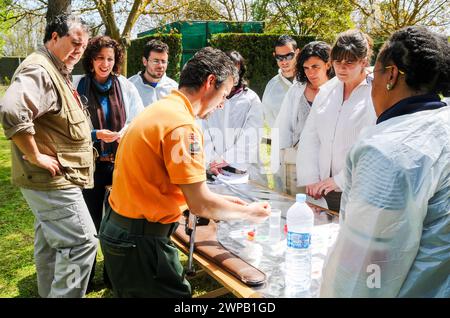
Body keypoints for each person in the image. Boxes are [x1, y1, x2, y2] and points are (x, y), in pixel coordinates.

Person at [99, 47, 271, 298]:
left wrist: (223, 201)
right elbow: (200, 203)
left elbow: (181, 187)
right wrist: (248, 212)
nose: (222, 104)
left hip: (123, 230)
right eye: (223, 94)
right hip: (141, 241)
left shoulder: (161, 109)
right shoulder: (182, 126)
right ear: (210, 82)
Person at [320, 26, 450, 298]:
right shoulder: (441, 125)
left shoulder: (388, 151)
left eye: (374, 72)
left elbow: (368, 264)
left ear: (390, 75)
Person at [0, 14, 97, 298]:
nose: (80, 50)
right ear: (55, 37)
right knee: (82, 244)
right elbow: (11, 110)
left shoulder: (55, 68)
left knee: (52, 242)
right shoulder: (41, 68)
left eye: (84, 45)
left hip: (56, 177)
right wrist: (35, 155)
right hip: (54, 179)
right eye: (75, 42)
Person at [73, 35, 144, 288]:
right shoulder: (76, 85)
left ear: (117, 61)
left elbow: (137, 120)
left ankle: (115, 276)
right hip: (88, 165)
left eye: (110, 59)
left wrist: (123, 132)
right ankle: (87, 276)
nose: (105, 63)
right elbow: (68, 127)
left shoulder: (125, 86)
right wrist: (95, 135)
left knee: (117, 223)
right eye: (100, 58)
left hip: (119, 164)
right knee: (89, 222)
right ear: (90, 60)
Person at [296, 29, 376, 212]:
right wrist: (311, 179)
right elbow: (311, 136)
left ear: (363, 62)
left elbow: (372, 148)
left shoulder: (375, 94)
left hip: (356, 190)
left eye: (349, 62)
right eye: (337, 61)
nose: (341, 68)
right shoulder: (326, 91)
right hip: (321, 189)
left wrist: (339, 180)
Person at [271, 41, 334, 193]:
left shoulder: (338, 89)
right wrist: (280, 162)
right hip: (297, 162)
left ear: (328, 64)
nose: (310, 73)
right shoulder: (297, 89)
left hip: (329, 166)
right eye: (306, 68)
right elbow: (283, 126)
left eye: (315, 67)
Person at [203, 50, 264, 183]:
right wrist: (211, 160)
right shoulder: (210, 97)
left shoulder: (251, 99)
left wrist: (224, 159)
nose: (233, 77)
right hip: (215, 171)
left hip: (244, 173)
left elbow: (252, 135)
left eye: (236, 71)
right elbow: (203, 130)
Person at [261, 35, 300, 128]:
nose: (284, 61)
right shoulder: (271, 86)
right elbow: (267, 118)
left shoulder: (310, 79)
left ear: (297, 53)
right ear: (274, 56)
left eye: (289, 56)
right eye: (279, 57)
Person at [128, 39, 178, 107]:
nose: (160, 66)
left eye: (163, 62)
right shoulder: (130, 86)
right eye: (156, 61)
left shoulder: (174, 89)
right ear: (145, 61)